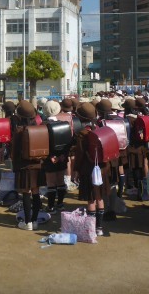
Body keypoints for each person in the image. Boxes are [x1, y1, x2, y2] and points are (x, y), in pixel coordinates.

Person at [74, 102, 110, 237]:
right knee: (99, 197)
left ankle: (91, 228)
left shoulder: (82, 134)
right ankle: (99, 228)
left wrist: (76, 170)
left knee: (91, 199)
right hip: (102, 169)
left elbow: (79, 155)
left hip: (88, 170)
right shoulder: (101, 129)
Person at [10, 100, 42, 230]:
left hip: (24, 166)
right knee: (36, 191)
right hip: (38, 165)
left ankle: (27, 222)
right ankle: (35, 220)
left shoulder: (19, 131)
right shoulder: (40, 129)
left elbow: (14, 152)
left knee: (26, 192)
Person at [42, 100, 69, 212]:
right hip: (62, 157)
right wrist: (63, 155)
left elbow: (42, 143)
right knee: (60, 180)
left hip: (49, 158)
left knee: (51, 182)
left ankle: (51, 206)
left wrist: (50, 156)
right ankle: (60, 204)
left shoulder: (43, 126)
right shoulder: (64, 124)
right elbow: (68, 142)